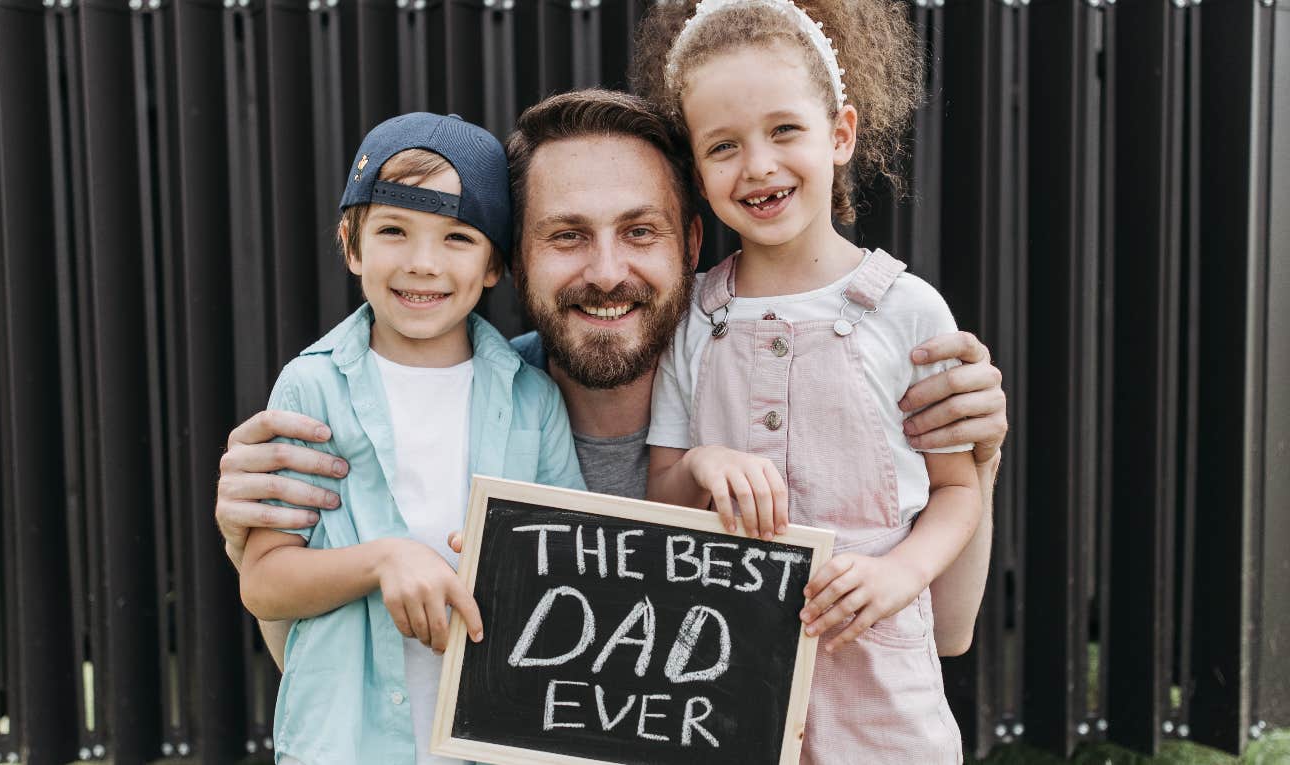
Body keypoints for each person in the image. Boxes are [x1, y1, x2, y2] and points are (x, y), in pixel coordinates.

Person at [216, 90, 1007, 671]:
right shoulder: (459, 400)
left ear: (691, 242)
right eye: (566, 236)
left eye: (639, 232)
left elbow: (948, 631)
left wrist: (973, 466)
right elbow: (308, 659)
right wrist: (250, 541)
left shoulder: (774, 389)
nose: (606, 272)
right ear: (513, 260)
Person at [632, 0, 977, 761]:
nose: (758, 165)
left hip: (879, 694)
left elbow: (958, 489)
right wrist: (704, 462)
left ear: (840, 134)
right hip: (725, 690)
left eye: (785, 130)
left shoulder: (909, 312)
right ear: (696, 167)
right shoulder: (691, 319)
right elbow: (662, 492)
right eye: (723, 145)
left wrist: (900, 573)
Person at [236, 113, 584, 765]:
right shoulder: (313, 390)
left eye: (457, 237)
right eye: (394, 230)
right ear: (352, 244)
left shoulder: (531, 399)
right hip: (347, 742)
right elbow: (263, 581)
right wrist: (383, 559)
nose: (423, 263)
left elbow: (570, 573)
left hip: (495, 741)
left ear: (493, 266)